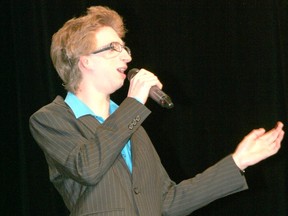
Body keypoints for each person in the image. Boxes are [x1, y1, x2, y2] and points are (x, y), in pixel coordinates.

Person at [29, 6, 285, 216]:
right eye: (113, 48)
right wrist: (134, 104)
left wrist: (239, 161)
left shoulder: (132, 125)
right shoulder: (52, 118)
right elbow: (86, 168)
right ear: (84, 59)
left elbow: (168, 201)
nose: (127, 58)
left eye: (125, 48)